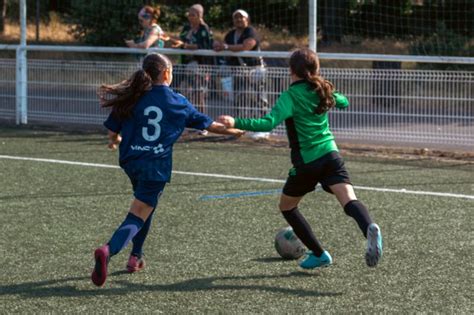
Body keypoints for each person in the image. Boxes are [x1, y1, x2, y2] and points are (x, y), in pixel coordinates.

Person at [218, 48, 383, 270]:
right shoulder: (321, 89)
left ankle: (319, 254)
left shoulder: (291, 95)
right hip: (331, 155)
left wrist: (235, 122)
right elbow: (344, 102)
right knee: (349, 200)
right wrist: (331, 93)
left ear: (291, 71)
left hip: (307, 162)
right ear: (316, 69)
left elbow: (267, 123)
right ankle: (369, 227)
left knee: (287, 207)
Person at [92, 53, 243, 287]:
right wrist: (238, 130)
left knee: (145, 207)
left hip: (131, 161)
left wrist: (115, 139)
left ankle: (136, 257)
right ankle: (108, 250)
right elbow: (213, 126)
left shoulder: (133, 96)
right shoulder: (177, 101)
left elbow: (113, 129)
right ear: (166, 74)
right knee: (139, 211)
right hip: (155, 166)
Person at [213, 9, 269, 139]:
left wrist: (226, 47)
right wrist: (217, 45)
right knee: (239, 100)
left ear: (247, 19)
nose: (238, 20)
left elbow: (247, 46)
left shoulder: (251, 31)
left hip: (255, 70)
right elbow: (223, 47)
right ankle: (239, 128)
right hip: (238, 72)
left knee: (259, 99)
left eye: (241, 17)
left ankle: (263, 128)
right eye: (236, 17)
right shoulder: (230, 34)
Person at [171, 4, 214, 117]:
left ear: (200, 15)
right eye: (189, 14)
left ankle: (202, 120)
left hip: (200, 65)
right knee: (182, 92)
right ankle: (186, 118)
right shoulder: (186, 27)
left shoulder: (204, 29)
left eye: (193, 15)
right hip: (185, 64)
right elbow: (181, 40)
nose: (190, 17)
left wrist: (185, 45)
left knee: (198, 92)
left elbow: (204, 45)